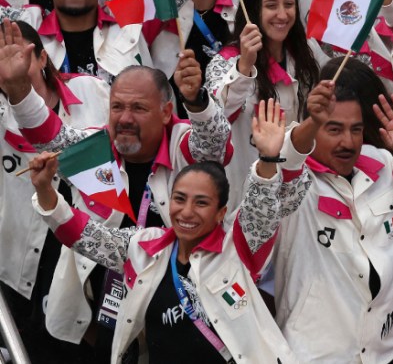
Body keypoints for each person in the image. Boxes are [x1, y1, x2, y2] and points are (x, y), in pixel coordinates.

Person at [0, 19, 232, 350]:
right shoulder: (97, 149)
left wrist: (197, 102)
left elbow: (215, 145)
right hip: (102, 309)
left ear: (167, 112)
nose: (124, 118)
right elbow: (48, 134)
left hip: (181, 310)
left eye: (138, 108)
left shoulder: (183, 143)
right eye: (117, 107)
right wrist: (20, 89)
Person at [26, 102, 299, 363]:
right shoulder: (145, 247)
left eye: (201, 202)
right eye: (179, 199)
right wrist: (45, 191)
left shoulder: (238, 247)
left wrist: (267, 159)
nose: (187, 211)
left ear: (220, 212)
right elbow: (84, 236)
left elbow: (260, 208)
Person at [271, 59, 393, 362]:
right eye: (333, 129)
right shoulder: (290, 181)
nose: (347, 141)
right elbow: (282, 165)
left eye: (355, 129)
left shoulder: (380, 164)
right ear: (312, 127)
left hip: (387, 352)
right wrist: (306, 128)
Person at [0, 21, 110, 361]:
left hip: (87, 253)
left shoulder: (93, 91)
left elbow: (100, 161)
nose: (10, 66)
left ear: (44, 58)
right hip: (16, 266)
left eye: (18, 55)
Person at [204, 0, 327, 205]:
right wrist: (244, 68)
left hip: (300, 191)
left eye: (289, 4)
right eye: (271, 6)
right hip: (246, 192)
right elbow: (216, 118)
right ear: (252, 9)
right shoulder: (226, 61)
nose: (282, 15)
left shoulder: (307, 52)